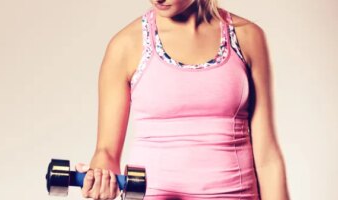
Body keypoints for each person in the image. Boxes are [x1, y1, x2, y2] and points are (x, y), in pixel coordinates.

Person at [75, 0, 290, 199]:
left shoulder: (248, 37)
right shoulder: (125, 45)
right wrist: (101, 176)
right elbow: (106, 152)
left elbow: (267, 157)